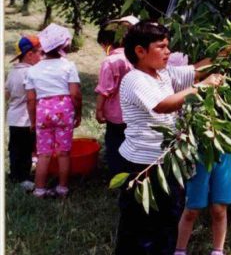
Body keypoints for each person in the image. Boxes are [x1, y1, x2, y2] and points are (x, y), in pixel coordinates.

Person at [109, 21, 224, 255]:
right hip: (142, 168)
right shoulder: (135, 79)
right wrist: (202, 88)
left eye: (167, 44)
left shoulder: (163, 74)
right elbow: (163, 106)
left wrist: (228, 52)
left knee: (166, 226)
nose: (167, 51)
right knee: (137, 233)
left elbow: (197, 71)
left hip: (169, 163)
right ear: (139, 51)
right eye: (161, 46)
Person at [25, 24, 82, 199]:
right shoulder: (69, 66)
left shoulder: (33, 70)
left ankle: (39, 189)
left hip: (43, 112)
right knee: (64, 153)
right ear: (63, 45)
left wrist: (33, 121)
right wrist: (78, 113)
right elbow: (75, 94)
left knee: (44, 153)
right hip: (65, 111)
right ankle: (62, 188)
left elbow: (31, 99)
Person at [95, 20, 136, 177]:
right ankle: (133, 173)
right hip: (134, 113)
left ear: (107, 44)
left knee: (114, 144)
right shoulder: (135, 58)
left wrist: (99, 110)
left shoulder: (110, 61)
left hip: (115, 116)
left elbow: (104, 90)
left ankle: (117, 175)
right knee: (132, 143)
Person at [5, 35, 42, 190]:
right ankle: (24, 179)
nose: (42, 56)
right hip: (26, 119)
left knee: (15, 148)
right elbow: (32, 98)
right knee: (26, 150)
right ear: (29, 55)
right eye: (40, 52)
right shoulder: (31, 73)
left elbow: (6, 93)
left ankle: (14, 174)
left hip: (13, 118)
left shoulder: (13, 72)